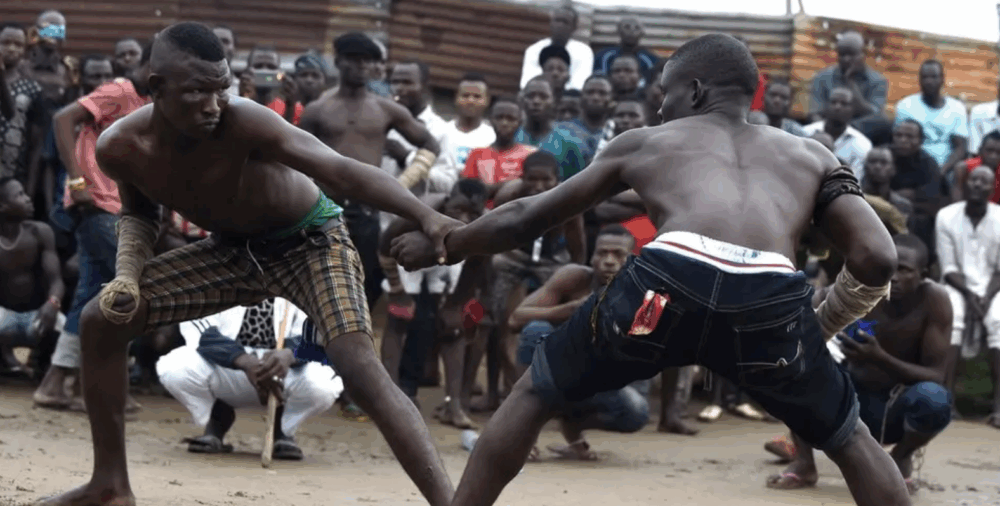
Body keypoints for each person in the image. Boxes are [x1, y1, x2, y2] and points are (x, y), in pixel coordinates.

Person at [391, 33, 911, 506]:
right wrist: (818, 323)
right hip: (769, 295)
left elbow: (529, 215)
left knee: (534, 392)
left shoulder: (645, 141)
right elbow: (879, 257)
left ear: (696, 90)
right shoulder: (813, 156)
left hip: (666, 284)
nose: (660, 107)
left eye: (666, 92)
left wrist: (449, 244)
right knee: (849, 438)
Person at [37, 22, 458, 506]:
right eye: (197, 91)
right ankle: (109, 485)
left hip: (312, 241)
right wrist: (128, 274)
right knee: (100, 320)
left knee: (358, 366)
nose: (213, 105)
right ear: (158, 88)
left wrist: (426, 216)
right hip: (233, 251)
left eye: (221, 89)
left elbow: (340, 169)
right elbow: (139, 214)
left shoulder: (244, 120)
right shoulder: (121, 147)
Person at [766, 234, 952, 495]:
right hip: (850, 402)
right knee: (796, 372)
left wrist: (880, 358)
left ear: (924, 274)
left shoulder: (934, 300)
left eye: (904, 270)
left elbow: (936, 375)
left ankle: (900, 457)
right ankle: (804, 463)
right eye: (890, 269)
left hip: (897, 407)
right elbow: (813, 302)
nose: (894, 278)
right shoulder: (864, 287)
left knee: (935, 399)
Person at [32, 46, 152, 412]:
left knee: (90, 295)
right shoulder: (120, 90)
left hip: (117, 207)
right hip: (98, 204)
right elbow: (62, 119)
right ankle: (103, 386)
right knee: (126, 290)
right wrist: (76, 181)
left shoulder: (149, 102)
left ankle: (56, 382)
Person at [299, 32, 441, 311]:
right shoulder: (317, 110)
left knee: (362, 289)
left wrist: (403, 182)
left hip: (366, 213)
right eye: (355, 59)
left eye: (367, 60)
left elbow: (429, 143)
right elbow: (296, 158)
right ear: (338, 62)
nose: (362, 66)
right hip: (321, 210)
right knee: (317, 287)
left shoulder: (385, 108)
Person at [510, 225, 652, 461]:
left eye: (618, 254)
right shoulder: (574, 278)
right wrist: (570, 310)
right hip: (559, 366)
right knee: (536, 330)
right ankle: (523, 430)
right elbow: (516, 318)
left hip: (602, 377)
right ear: (592, 256)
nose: (608, 261)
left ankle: (572, 425)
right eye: (602, 253)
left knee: (636, 411)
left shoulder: (643, 296)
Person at [157, 298, 342, 460]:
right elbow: (200, 333)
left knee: (323, 383)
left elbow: (316, 334)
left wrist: (290, 354)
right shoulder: (217, 277)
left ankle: (283, 427)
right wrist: (244, 361)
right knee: (175, 367)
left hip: (282, 368)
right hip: (229, 364)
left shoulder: (297, 281)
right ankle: (217, 417)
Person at [378, 179, 488, 424]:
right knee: (399, 318)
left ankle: (453, 405)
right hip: (408, 250)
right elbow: (385, 246)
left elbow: (476, 265)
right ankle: (388, 399)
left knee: (454, 329)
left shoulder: (484, 223)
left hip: (450, 256)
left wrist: (456, 305)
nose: (464, 218)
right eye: (458, 209)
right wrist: (397, 290)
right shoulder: (420, 210)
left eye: (472, 213)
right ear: (447, 201)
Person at [935, 165, 1000, 428]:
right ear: (964, 184)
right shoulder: (946, 216)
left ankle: (998, 407)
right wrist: (971, 297)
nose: (978, 185)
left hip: (993, 288)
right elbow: (949, 267)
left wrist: (985, 297)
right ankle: (946, 402)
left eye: (984, 181)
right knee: (954, 314)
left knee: (998, 320)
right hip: (958, 286)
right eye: (974, 180)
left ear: (993, 188)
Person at [0, 177, 64, 373]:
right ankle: (5, 359)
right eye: (19, 195)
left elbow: (56, 281)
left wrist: (52, 303)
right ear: (2, 207)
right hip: (4, 317)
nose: (28, 198)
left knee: (66, 328)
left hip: (38, 314)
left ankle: (42, 360)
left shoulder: (40, 232)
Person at [894, 60, 968, 173]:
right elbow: (899, 142)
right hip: (911, 167)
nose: (929, 81)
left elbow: (960, 148)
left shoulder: (957, 108)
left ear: (942, 79)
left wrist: (941, 172)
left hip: (945, 168)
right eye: (925, 77)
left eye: (934, 77)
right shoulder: (905, 106)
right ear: (919, 80)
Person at [515, 77, 590, 180]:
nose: (536, 101)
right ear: (522, 100)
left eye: (543, 97)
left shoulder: (571, 144)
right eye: (530, 96)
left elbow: (579, 183)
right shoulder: (511, 136)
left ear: (555, 101)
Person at [809, 30, 888, 124]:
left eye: (852, 54)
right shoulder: (823, 77)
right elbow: (815, 112)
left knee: (883, 121)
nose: (846, 59)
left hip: (860, 128)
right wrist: (824, 129)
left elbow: (875, 115)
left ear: (863, 54)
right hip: (828, 125)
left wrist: (850, 83)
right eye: (842, 55)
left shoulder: (878, 81)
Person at [0, 23, 45, 188]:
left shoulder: (32, 89)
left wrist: (29, 188)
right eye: (5, 43)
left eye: (18, 44)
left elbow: (36, 144)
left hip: (13, 176)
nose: (12, 49)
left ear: (25, 50)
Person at [803, 86, 873, 180]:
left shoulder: (862, 144)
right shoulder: (805, 133)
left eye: (844, 104)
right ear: (826, 106)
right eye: (833, 102)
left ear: (853, 109)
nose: (837, 107)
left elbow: (855, 180)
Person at [520, 4, 593, 91]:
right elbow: (526, 83)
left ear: (574, 27)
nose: (560, 25)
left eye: (565, 22)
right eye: (557, 21)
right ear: (550, 23)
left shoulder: (584, 52)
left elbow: (579, 86)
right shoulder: (534, 50)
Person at [440, 73, 495, 185]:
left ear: (487, 100)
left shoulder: (493, 137)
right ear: (456, 98)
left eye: (477, 97)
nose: (470, 101)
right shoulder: (440, 131)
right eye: (465, 96)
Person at [593, 17, 659, 88]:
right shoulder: (604, 56)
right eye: (627, 27)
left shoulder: (651, 59)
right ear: (618, 30)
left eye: (637, 28)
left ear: (642, 32)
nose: (632, 30)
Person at [862, 147, 914, 236]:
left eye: (883, 162)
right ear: (865, 167)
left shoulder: (903, 206)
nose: (877, 167)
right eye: (872, 162)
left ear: (893, 169)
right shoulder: (854, 199)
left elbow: (906, 238)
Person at [957, 130, 1000, 203]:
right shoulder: (964, 168)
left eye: (999, 152)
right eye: (989, 150)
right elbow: (956, 203)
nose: (993, 156)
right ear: (980, 150)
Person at [211, 25, 239, 95]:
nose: (219, 45)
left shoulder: (242, 87)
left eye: (225, 41)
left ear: (235, 49)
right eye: (215, 40)